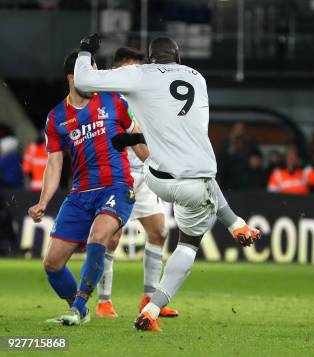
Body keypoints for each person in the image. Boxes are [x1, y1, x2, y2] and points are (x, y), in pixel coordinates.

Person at [74, 34, 261, 331]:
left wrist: (86, 51)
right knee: (189, 241)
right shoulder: (197, 78)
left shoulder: (140, 73)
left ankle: (237, 225)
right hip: (193, 181)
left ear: (150, 59)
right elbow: (178, 124)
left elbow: (83, 81)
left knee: (181, 208)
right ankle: (152, 306)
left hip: (156, 176)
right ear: (179, 58)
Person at [27, 49, 146, 326]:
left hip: (116, 186)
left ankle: (79, 306)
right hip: (80, 194)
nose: (94, 78)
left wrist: (159, 163)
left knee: (98, 237)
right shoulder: (56, 117)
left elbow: (137, 135)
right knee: (52, 265)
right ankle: (78, 306)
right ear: (73, 77)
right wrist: (43, 201)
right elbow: (54, 164)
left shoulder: (114, 100)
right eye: (87, 73)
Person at [94, 47, 178, 319]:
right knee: (112, 237)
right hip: (118, 175)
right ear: (117, 70)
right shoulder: (106, 99)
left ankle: (149, 299)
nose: (136, 75)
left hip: (144, 174)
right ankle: (104, 301)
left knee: (159, 232)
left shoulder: (143, 97)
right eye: (131, 69)